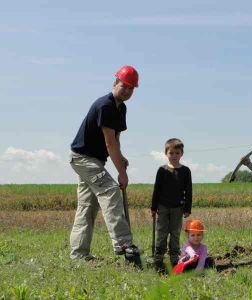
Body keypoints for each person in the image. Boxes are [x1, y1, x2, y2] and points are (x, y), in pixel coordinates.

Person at [69, 65, 142, 267]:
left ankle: (79, 255)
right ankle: (123, 243)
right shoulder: (106, 106)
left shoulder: (121, 108)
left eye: (131, 88)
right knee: (110, 190)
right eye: (124, 86)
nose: (127, 91)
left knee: (87, 207)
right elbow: (109, 143)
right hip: (84, 158)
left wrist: (121, 157)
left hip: (94, 160)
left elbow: (115, 140)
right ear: (115, 83)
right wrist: (122, 173)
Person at [151, 138, 192, 271]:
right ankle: (158, 257)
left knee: (175, 232)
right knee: (161, 231)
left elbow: (189, 190)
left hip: (178, 207)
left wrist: (187, 208)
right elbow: (156, 190)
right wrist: (153, 207)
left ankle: (174, 257)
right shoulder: (162, 170)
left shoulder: (186, 171)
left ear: (182, 153)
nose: (174, 156)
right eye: (171, 153)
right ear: (166, 153)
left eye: (177, 153)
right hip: (162, 207)